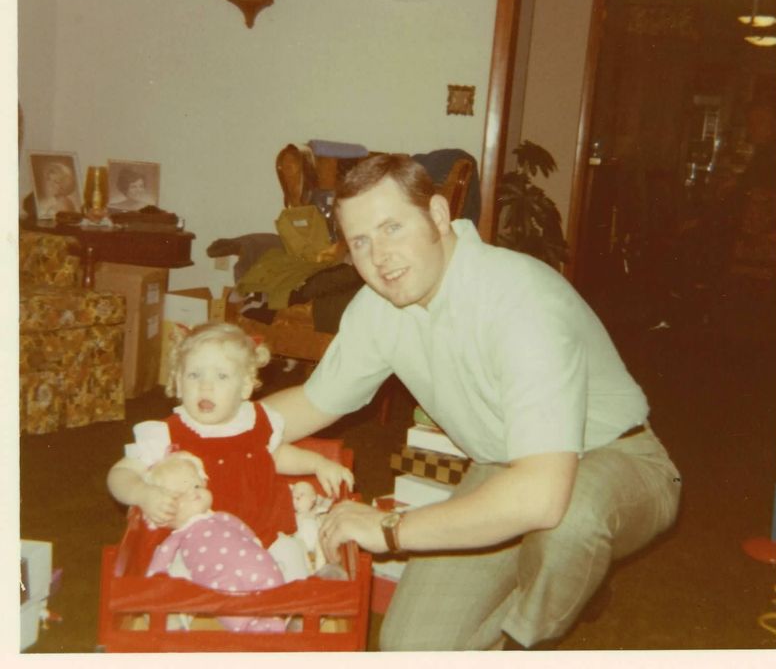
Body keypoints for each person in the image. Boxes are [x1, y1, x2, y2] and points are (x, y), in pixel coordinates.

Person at [262, 153, 682, 651]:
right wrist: (201, 431)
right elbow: (313, 403)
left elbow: (541, 494)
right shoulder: (378, 308)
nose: (380, 256)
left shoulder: (520, 301)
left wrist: (391, 528)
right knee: (410, 648)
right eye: (360, 241)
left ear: (438, 216)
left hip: (617, 458)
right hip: (503, 466)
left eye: (392, 227)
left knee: (568, 521)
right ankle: (555, 570)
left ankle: (531, 630)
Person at [107, 322, 354, 556]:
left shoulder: (259, 420)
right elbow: (119, 474)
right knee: (184, 575)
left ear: (245, 387)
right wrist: (142, 493)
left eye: (222, 376)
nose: (205, 386)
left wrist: (318, 464)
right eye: (194, 375)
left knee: (291, 563)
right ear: (179, 383)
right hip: (199, 543)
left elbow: (277, 455)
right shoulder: (166, 433)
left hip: (267, 532)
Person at [144, 450, 288, 633]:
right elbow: (158, 567)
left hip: (257, 563)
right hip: (221, 582)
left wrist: (257, 545)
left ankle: (279, 617)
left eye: (197, 485)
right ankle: (254, 629)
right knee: (228, 604)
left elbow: (245, 531)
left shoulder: (221, 517)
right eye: (180, 494)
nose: (193, 492)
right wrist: (153, 587)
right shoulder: (178, 537)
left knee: (274, 588)